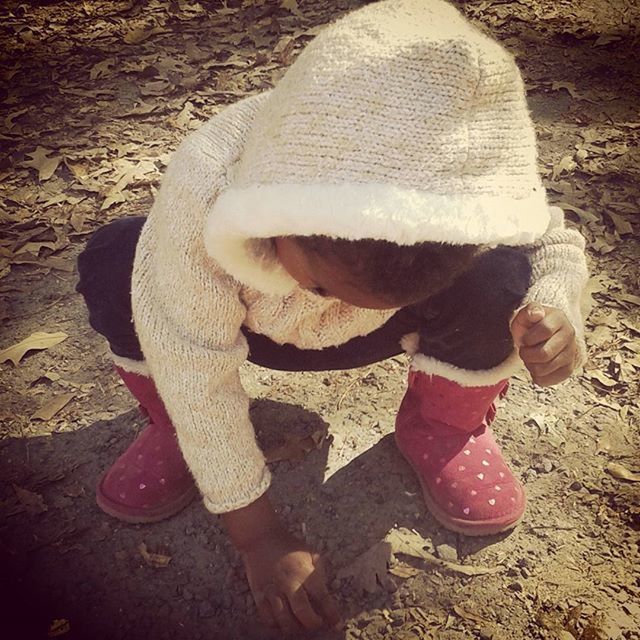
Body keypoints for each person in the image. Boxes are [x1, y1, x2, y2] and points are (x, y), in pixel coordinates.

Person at [76, 0, 588, 633]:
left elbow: (549, 241)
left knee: (508, 279)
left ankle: (442, 426)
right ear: (275, 220)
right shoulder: (212, 182)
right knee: (116, 259)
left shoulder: (469, 176)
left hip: (396, 334)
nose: (341, 307)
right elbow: (193, 363)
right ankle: (173, 428)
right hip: (246, 327)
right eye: (322, 284)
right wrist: (258, 536)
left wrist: (558, 308)